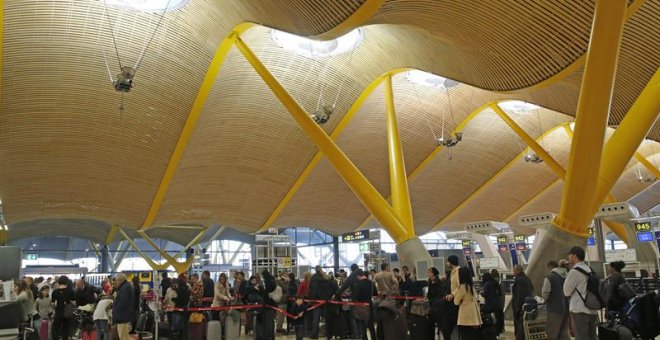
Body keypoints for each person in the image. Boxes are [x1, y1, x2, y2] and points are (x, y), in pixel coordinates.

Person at [563, 246, 598, 340]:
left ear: (574, 256)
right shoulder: (590, 269)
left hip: (579, 311)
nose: (568, 258)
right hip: (593, 310)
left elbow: (566, 292)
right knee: (592, 337)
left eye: (569, 256)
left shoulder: (574, 272)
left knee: (582, 337)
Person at [542, 260, 570, 340]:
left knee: (552, 332)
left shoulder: (550, 277)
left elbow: (545, 294)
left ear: (550, 267)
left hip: (554, 309)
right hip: (567, 308)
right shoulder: (568, 276)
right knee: (564, 332)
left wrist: (544, 300)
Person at [454, 266, 481, 338]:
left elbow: (456, 301)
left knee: (465, 335)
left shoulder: (463, 286)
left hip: (465, 316)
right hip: (473, 315)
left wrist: (460, 301)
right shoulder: (471, 286)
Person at [353, 269, 377, 340]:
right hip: (369, 305)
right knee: (371, 325)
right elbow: (375, 294)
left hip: (361, 306)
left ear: (358, 275)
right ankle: (373, 338)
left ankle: (365, 338)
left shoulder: (357, 284)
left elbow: (355, 297)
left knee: (362, 325)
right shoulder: (371, 283)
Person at [512, 264, 534, 340]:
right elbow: (532, 289)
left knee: (520, 327)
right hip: (527, 306)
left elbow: (519, 295)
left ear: (518, 270)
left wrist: (517, 308)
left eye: (514, 270)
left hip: (521, 307)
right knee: (524, 326)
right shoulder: (527, 278)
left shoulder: (519, 280)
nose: (513, 271)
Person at [441, 255, 461, 340]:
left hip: (454, 302)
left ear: (451, 262)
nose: (446, 263)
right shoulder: (452, 272)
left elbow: (460, 286)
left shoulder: (457, 272)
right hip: (450, 301)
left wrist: (452, 294)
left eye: (447, 261)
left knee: (451, 323)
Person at [112, 273, 136, 340]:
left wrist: (116, 311)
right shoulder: (125, 286)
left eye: (116, 280)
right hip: (124, 316)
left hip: (122, 316)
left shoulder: (124, 288)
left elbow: (122, 302)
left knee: (123, 336)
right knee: (123, 336)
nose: (116, 282)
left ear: (121, 280)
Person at [427, 267, 448, 338]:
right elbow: (429, 294)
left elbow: (440, 294)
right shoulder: (429, 281)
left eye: (429, 272)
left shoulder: (439, 282)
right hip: (431, 305)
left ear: (433, 274)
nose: (428, 274)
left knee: (440, 323)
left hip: (438, 306)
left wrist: (433, 301)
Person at [51, 276, 75, 340]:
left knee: (55, 328)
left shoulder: (55, 291)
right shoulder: (71, 291)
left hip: (58, 311)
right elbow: (74, 303)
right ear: (67, 282)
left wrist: (55, 308)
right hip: (67, 312)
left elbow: (52, 304)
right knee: (66, 327)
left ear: (59, 282)